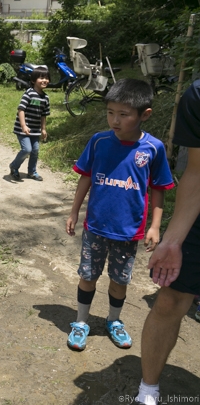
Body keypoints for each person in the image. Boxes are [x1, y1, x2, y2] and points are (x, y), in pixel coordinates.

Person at [65, 78, 174, 352]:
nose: (115, 120)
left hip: (129, 231)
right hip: (96, 226)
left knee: (119, 280)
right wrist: (74, 211)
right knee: (88, 275)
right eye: (110, 112)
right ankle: (80, 322)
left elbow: (159, 189)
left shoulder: (153, 148)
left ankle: (113, 321)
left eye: (123, 115)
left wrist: (155, 226)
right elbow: (85, 177)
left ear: (144, 115)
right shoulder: (99, 141)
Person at [134, 80, 200, 405]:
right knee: (170, 301)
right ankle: (148, 390)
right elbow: (198, 172)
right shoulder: (198, 97)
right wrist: (171, 240)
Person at [9, 66, 50, 181]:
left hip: (35, 130)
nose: (44, 80)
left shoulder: (45, 98)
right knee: (27, 149)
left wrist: (43, 129)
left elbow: (44, 115)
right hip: (23, 129)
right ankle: (14, 166)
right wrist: (23, 125)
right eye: (41, 78)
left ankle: (32, 171)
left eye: (46, 78)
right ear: (33, 80)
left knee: (35, 150)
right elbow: (21, 109)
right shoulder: (28, 94)